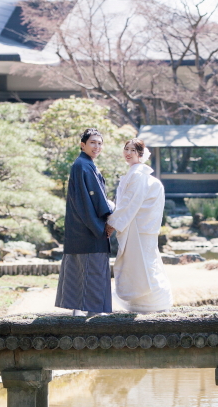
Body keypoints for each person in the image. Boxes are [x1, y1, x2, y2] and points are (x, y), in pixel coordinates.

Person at [106, 138, 172, 312]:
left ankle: (149, 303)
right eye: (126, 149)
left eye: (133, 150)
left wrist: (112, 224)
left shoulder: (137, 174)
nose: (128, 153)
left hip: (139, 229)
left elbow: (130, 202)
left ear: (141, 155)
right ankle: (147, 302)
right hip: (143, 229)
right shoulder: (137, 173)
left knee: (142, 264)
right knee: (144, 264)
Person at [55, 128, 114, 316]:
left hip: (79, 229)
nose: (96, 146)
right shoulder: (83, 165)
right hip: (89, 229)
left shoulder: (84, 164)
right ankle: (93, 314)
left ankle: (78, 313)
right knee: (92, 271)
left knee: (79, 272)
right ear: (83, 145)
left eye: (99, 143)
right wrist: (109, 212)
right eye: (92, 142)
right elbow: (94, 201)